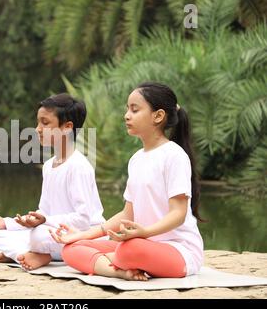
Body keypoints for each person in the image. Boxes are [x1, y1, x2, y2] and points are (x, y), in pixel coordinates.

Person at [50, 82, 204, 281]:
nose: (127, 115)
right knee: (71, 249)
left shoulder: (174, 156)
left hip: (178, 250)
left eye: (135, 109)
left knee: (129, 249)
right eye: (127, 109)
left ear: (158, 116)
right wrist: (83, 235)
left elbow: (178, 213)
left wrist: (145, 232)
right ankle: (118, 271)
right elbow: (127, 213)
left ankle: (106, 262)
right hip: (140, 241)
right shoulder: (136, 159)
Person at [0, 93, 105, 270]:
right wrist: (7, 222)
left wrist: (44, 221)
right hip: (54, 234)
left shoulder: (78, 166)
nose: (37, 129)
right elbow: (43, 213)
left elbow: (82, 220)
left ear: (67, 127)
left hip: (83, 236)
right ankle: (32, 254)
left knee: (38, 236)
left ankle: (27, 254)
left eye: (45, 123)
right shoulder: (49, 165)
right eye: (38, 123)